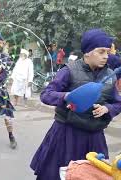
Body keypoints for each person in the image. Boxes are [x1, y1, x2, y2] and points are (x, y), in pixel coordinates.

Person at [30, 29, 121, 180]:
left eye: (107, 52)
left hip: (94, 139)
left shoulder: (109, 75)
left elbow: (118, 103)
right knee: (60, 175)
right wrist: (67, 96)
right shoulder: (69, 70)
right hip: (67, 135)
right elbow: (46, 94)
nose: (106, 56)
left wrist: (108, 108)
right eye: (101, 52)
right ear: (87, 52)